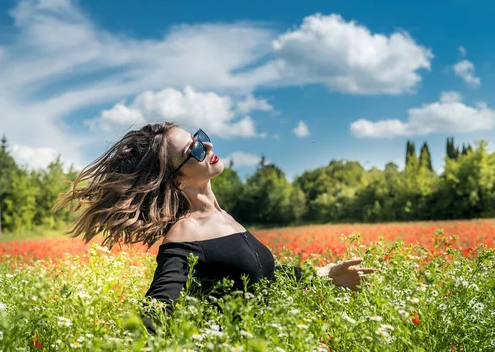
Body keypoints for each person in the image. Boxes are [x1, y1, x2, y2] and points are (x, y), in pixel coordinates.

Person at [54, 122, 380, 335]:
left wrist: (324, 275)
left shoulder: (223, 218)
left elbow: (260, 278)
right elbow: (157, 308)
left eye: (201, 139)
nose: (207, 148)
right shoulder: (185, 232)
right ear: (177, 178)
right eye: (194, 150)